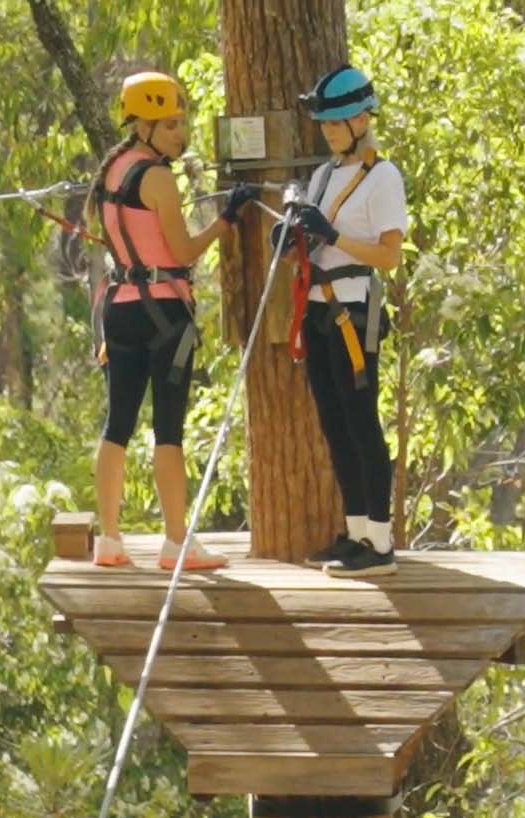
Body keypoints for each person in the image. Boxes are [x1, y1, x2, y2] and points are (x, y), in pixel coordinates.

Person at [88, 72, 258, 573]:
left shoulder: (111, 171)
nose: (181, 135)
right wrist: (225, 221)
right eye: (170, 126)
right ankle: (176, 542)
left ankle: (110, 539)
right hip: (163, 312)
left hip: (119, 307)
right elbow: (182, 250)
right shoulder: (157, 177)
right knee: (168, 430)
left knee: (116, 425)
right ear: (142, 127)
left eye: (181, 123)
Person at [280, 63, 409, 573]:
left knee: (361, 423)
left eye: (338, 122)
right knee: (335, 424)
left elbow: (389, 255)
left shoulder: (382, 177)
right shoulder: (324, 174)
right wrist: (291, 241)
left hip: (354, 309)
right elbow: (310, 242)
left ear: (362, 121)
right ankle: (356, 532)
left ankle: (380, 541)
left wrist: (331, 236)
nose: (329, 130)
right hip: (315, 307)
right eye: (326, 123)